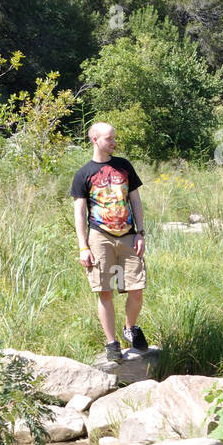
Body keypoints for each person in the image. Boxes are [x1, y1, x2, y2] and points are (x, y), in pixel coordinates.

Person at [71, 122, 148, 363]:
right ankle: (111, 343)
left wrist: (140, 233)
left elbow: (135, 200)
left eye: (114, 137)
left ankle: (129, 327)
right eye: (109, 138)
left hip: (128, 235)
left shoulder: (124, 166)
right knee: (104, 290)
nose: (114, 142)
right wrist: (83, 246)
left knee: (136, 288)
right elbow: (79, 213)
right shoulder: (83, 174)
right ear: (95, 140)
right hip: (99, 236)